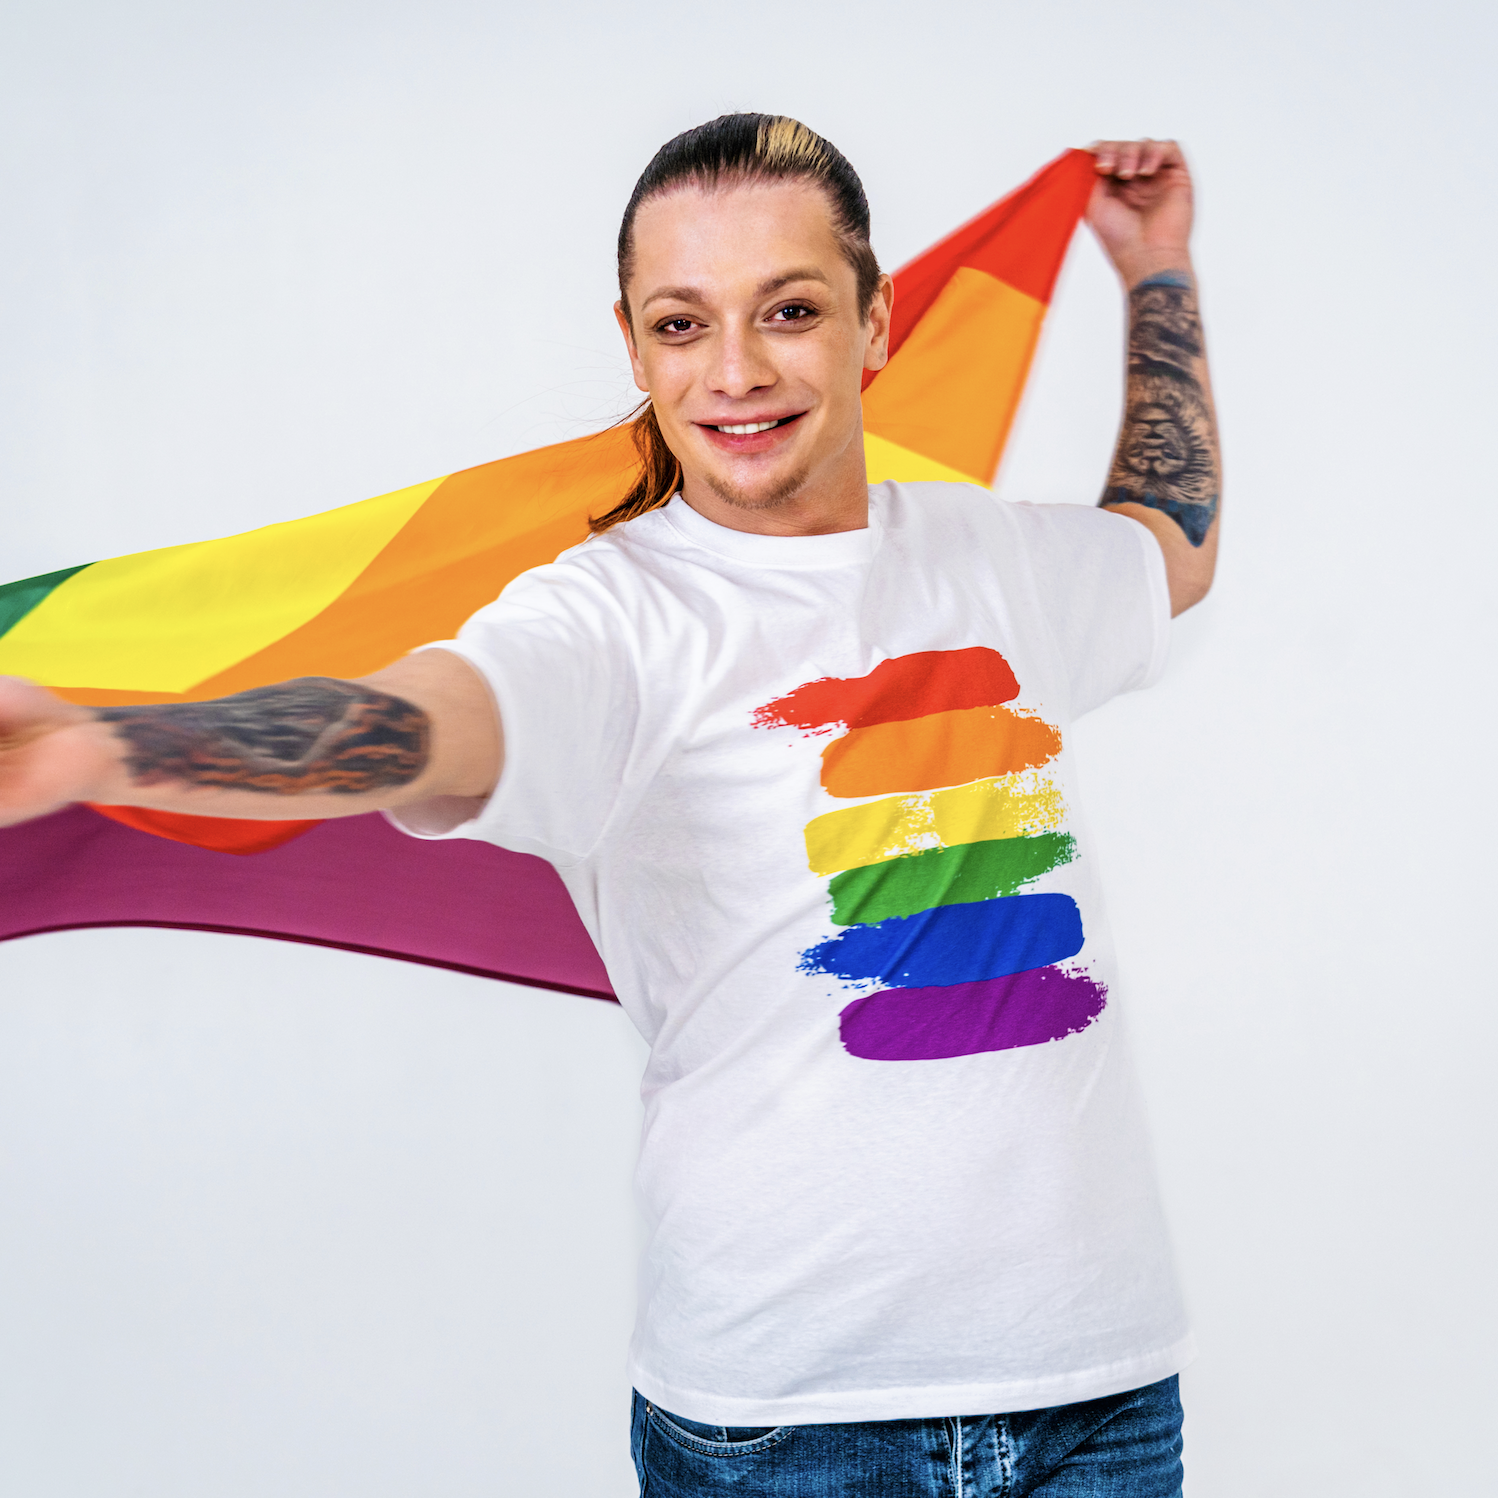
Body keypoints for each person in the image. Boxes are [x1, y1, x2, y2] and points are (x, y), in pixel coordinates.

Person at [0, 116, 1220, 1495]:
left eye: (790, 310)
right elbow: (417, 722)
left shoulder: (992, 556)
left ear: (876, 322)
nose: (737, 370)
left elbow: (1167, 546)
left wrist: (1153, 271)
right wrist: (107, 746)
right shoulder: (608, 618)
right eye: (682, 324)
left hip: (1099, 1394)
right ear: (635, 351)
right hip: (792, 1427)